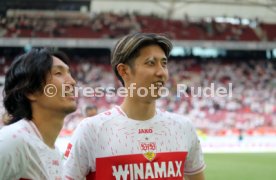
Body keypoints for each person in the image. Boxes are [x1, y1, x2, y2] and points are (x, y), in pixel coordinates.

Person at [63, 33, 206, 180]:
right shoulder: (91, 130)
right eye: (150, 63)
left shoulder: (183, 127)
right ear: (124, 71)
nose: (161, 72)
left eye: (164, 64)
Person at [0, 48, 77, 180]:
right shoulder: (13, 142)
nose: (72, 82)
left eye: (69, 73)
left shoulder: (54, 152)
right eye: (58, 73)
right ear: (31, 91)